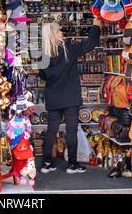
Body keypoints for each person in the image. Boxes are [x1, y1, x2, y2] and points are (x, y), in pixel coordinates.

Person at [39, 18, 102, 174]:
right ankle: (72, 165)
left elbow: (43, 76)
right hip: (70, 97)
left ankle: (47, 163)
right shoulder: (68, 49)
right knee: (71, 131)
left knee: (51, 130)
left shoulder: (43, 56)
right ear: (54, 34)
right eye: (59, 30)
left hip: (53, 97)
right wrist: (96, 25)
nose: (62, 32)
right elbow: (90, 43)